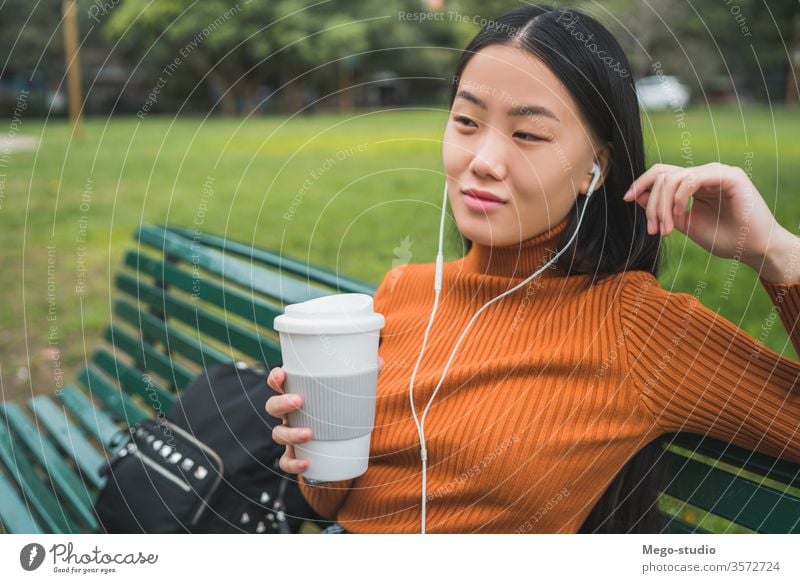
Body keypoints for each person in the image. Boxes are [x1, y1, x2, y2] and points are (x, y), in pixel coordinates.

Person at [266, 4, 800, 534]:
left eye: (528, 135)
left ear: (595, 167)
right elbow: (331, 505)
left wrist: (774, 250)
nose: (484, 160)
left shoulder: (634, 329)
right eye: (467, 122)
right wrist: (311, 449)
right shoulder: (400, 293)